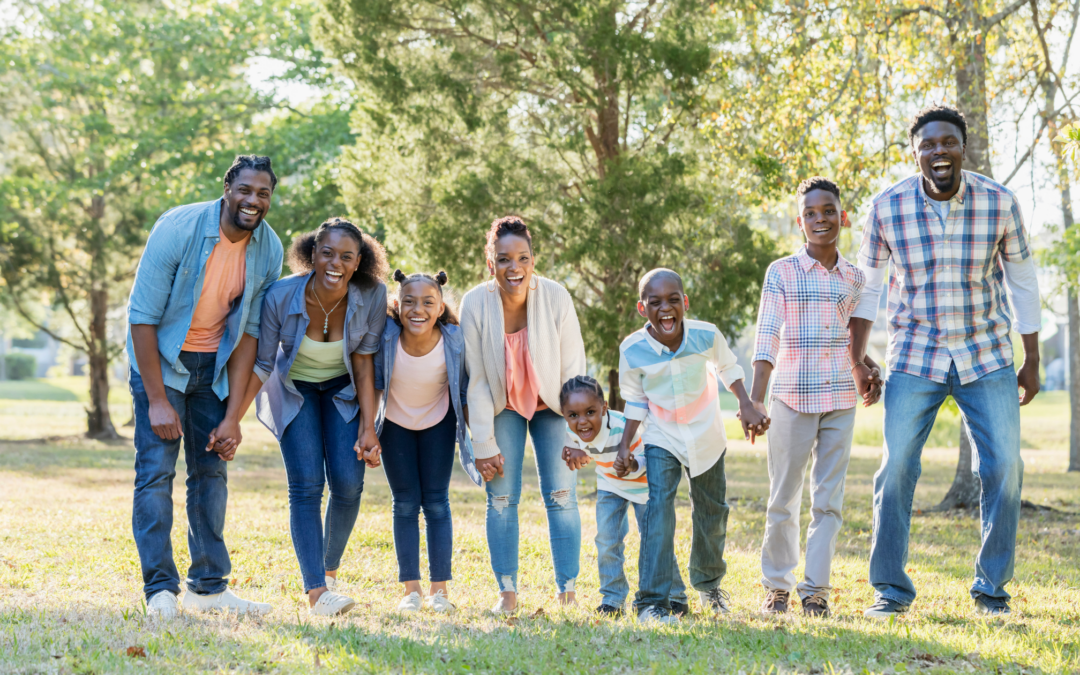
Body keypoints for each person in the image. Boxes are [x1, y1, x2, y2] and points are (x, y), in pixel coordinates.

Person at [850, 105, 1042, 618]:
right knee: (895, 470)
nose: (939, 152)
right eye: (928, 144)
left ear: (964, 147)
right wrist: (858, 358)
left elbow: (1022, 281)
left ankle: (991, 590)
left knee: (1006, 468)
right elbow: (867, 291)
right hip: (915, 354)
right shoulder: (886, 207)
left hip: (987, 354)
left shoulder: (1000, 203)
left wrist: (1033, 359)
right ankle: (890, 589)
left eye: (948, 142)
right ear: (915, 153)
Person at [127, 155, 284, 618]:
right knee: (156, 472)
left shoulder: (268, 249)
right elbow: (142, 317)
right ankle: (159, 590)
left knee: (211, 472)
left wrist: (233, 416)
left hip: (213, 369)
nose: (253, 201)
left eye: (263, 193)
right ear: (227, 188)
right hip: (161, 361)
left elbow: (250, 334)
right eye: (246, 190)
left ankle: (209, 588)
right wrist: (157, 399)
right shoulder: (178, 228)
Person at [237, 217, 389, 616]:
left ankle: (328, 569)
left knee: (348, 482)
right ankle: (317, 593)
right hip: (295, 389)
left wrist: (368, 427)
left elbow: (364, 364)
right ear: (311, 255)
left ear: (359, 262)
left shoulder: (372, 295)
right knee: (306, 485)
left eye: (346, 256)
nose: (335, 263)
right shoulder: (281, 296)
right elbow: (263, 364)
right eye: (326, 253)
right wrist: (232, 419)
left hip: (343, 390)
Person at [750, 177, 881, 618]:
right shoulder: (781, 271)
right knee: (783, 497)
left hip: (840, 398)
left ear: (842, 216)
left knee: (828, 500)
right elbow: (766, 337)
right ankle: (777, 587)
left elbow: (853, 338)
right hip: (790, 397)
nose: (820, 219)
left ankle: (816, 590)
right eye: (810, 213)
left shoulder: (856, 277)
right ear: (800, 220)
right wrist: (755, 400)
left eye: (828, 211)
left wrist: (867, 364)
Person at [617, 268, 770, 624]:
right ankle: (652, 602)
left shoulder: (705, 335)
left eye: (673, 300)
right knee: (659, 512)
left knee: (712, 511)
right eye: (655, 302)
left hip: (705, 433)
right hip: (662, 435)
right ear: (643, 308)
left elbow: (728, 368)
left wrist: (746, 405)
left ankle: (708, 585)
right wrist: (626, 444)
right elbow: (636, 399)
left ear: (685, 302)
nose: (665, 308)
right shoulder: (633, 349)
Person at [459, 216, 587, 614]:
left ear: (533, 260)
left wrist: (576, 435)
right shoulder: (475, 303)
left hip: (553, 405)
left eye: (522, 258)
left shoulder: (556, 297)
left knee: (562, 496)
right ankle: (507, 594)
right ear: (490, 262)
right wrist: (482, 443)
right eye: (504, 259)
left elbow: (574, 369)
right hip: (503, 404)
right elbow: (476, 379)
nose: (514, 268)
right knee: (500, 498)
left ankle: (567, 592)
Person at [371, 269, 481, 614]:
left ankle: (439, 591)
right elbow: (370, 380)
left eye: (427, 302)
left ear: (440, 306)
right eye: (409, 301)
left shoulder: (454, 339)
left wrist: (479, 434)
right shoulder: (386, 336)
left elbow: (467, 387)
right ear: (396, 304)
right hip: (395, 423)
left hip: (439, 421)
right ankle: (411, 590)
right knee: (404, 503)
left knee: (435, 503)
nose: (418, 309)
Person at [559, 376, 689, 618]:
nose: (582, 421)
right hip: (610, 485)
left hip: (643, 487)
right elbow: (578, 446)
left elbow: (649, 455)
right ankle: (612, 600)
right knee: (607, 540)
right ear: (565, 415)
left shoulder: (623, 427)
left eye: (590, 412)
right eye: (573, 415)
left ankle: (676, 597)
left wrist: (632, 465)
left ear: (604, 407)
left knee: (655, 543)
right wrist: (575, 451)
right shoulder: (571, 429)